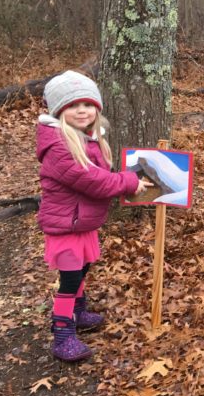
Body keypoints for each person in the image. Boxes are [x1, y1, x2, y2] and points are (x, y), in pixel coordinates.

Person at [36, 70, 151, 362]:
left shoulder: (89, 139)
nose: (82, 110)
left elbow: (99, 176)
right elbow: (94, 181)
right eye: (73, 106)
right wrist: (128, 181)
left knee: (82, 270)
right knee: (70, 280)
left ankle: (78, 311)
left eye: (87, 104)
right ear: (60, 111)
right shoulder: (59, 146)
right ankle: (62, 333)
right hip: (65, 228)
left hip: (81, 224)